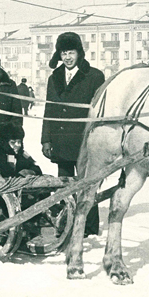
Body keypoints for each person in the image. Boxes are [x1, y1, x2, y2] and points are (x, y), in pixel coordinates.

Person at [41, 32, 105, 236]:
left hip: (85, 139)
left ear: (79, 53)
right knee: (64, 184)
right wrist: (46, 139)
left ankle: (89, 227)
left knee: (87, 182)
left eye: (71, 53)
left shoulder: (94, 76)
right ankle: (66, 222)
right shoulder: (54, 77)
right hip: (60, 140)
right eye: (64, 53)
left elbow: (101, 109)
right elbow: (49, 109)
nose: (68, 57)